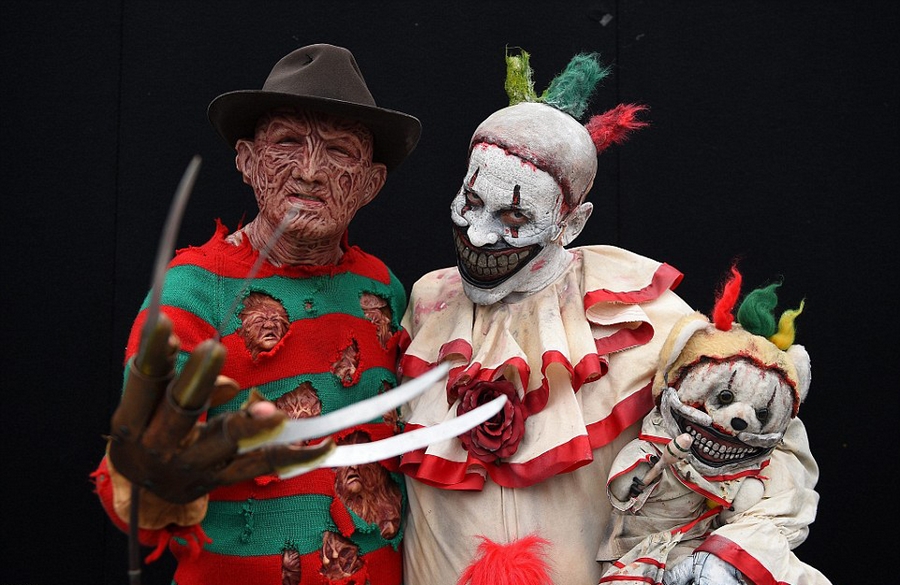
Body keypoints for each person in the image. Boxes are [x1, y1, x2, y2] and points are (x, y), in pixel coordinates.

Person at [397, 50, 823, 585]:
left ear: (572, 223)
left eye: (513, 215)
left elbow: (774, 447)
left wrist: (729, 555)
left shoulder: (640, 316)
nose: (479, 235)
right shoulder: (428, 303)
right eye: (471, 201)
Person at [92, 44, 421, 585]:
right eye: (287, 142)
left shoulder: (385, 290)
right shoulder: (192, 292)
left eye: (340, 151)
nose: (310, 172)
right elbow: (131, 494)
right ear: (247, 161)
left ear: (370, 183)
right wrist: (149, 478)